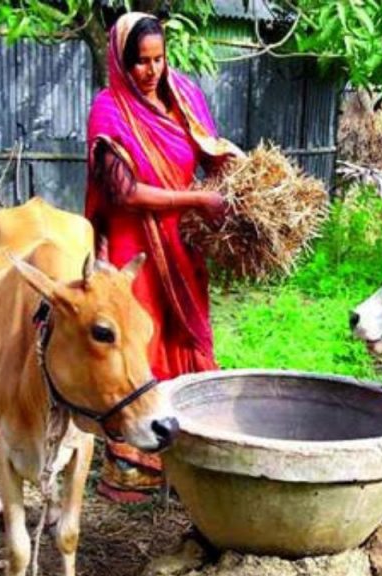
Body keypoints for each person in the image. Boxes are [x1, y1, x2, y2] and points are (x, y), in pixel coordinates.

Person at [84, 11, 242, 503]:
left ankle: (190, 453)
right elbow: (124, 192)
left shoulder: (184, 95)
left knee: (186, 335)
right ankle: (136, 466)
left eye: (158, 59)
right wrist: (196, 199)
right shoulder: (109, 109)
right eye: (140, 61)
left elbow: (208, 153)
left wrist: (234, 181)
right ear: (120, 61)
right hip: (133, 247)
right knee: (141, 344)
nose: (151, 71)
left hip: (182, 244)